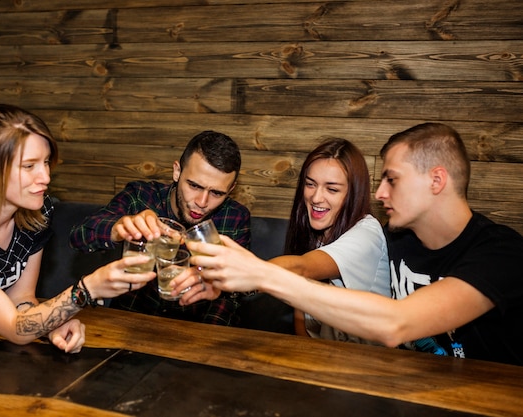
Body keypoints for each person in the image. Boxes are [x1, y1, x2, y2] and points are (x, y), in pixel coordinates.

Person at [188, 123, 523, 366]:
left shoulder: (503, 253)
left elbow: (396, 323)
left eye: (392, 180)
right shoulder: (399, 239)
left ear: (436, 180)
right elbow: (307, 283)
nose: (379, 194)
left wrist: (258, 274)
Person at [0, 104, 156, 353]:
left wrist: (50, 323)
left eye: (46, 162)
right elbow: (14, 329)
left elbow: (20, 300)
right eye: (29, 166)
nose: (45, 177)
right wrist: (86, 291)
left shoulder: (36, 213)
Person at [69, 130, 251, 326]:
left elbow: (230, 295)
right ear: (177, 172)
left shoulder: (235, 217)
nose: (202, 202)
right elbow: (79, 236)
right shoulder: (141, 196)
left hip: (193, 327)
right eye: (194, 186)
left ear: (230, 190)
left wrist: (207, 336)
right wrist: (119, 227)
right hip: (127, 322)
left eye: (216, 193)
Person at [265, 138, 390, 341]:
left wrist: (246, 274)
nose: (316, 198)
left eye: (332, 189)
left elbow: (303, 267)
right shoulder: (316, 232)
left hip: (369, 363)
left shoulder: (367, 235)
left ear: (353, 194)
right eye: (310, 184)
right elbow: (301, 313)